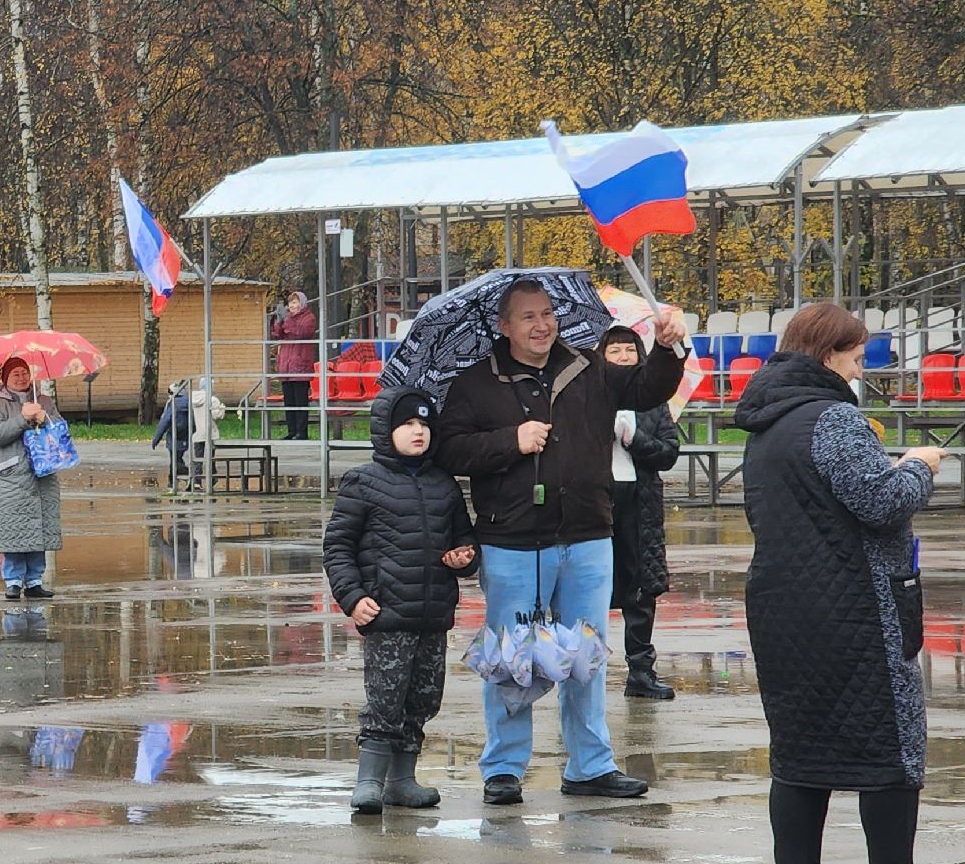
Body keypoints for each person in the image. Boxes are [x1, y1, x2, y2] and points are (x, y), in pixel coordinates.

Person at [733, 302, 965, 864]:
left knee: (799, 754)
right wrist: (918, 466)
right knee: (890, 747)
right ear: (827, 355)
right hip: (857, 606)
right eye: (857, 358)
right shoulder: (834, 418)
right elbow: (879, 502)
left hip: (783, 607)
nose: (861, 370)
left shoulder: (766, 421)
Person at [433, 279, 686, 807]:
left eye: (547, 314)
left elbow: (647, 389)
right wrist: (511, 441)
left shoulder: (588, 367)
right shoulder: (476, 384)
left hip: (588, 536)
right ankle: (503, 769)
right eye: (528, 317)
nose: (541, 325)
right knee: (511, 658)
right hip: (511, 541)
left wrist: (667, 349)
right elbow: (451, 451)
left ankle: (590, 766)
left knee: (584, 655)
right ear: (503, 325)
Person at [323, 387, 479, 815]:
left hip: (433, 616)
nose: (418, 432)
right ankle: (369, 781)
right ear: (385, 430)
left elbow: (464, 540)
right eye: (408, 424)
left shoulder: (444, 485)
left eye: (425, 424)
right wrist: (353, 598)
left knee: (423, 699)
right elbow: (337, 547)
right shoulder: (363, 483)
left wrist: (464, 558)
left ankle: (402, 780)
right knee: (385, 699)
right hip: (387, 615)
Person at [598, 326, 681, 701]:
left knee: (641, 589)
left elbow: (668, 452)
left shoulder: (653, 402)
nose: (622, 357)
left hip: (640, 503)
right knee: (592, 587)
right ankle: (586, 668)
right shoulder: (590, 397)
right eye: (614, 351)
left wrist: (635, 439)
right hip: (598, 503)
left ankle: (641, 671)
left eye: (629, 350)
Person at [0, 358, 63, 600]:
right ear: (5, 379)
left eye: (24, 373)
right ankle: (13, 580)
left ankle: (34, 580)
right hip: (12, 476)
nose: (21, 378)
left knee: (39, 527)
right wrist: (22, 418)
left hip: (42, 473)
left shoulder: (44, 401)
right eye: (15, 374)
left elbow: (61, 432)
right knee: (15, 529)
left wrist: (44, 418)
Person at [270, 291, 317, 440]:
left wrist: (287, 322)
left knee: (300, 400)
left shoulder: (309, 317)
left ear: (302, 303)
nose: (292, 305)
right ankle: (291, 430)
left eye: (295, 302)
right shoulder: (288, 318)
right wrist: (279, 322)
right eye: (290, 303)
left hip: (300, 365)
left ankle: (301, 432)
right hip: (287, 366)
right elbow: (277, 335)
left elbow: (302, 332)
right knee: (289, 401)